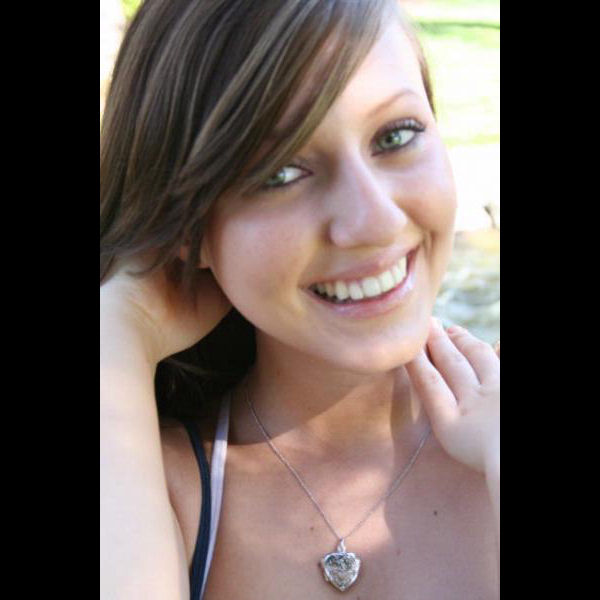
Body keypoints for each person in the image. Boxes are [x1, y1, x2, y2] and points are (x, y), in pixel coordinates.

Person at [100, 0, 500, 598]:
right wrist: (121, 325)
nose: (375, 221)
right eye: (280, 174)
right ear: (187, 229)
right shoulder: (151, 492)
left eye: (395, 135)